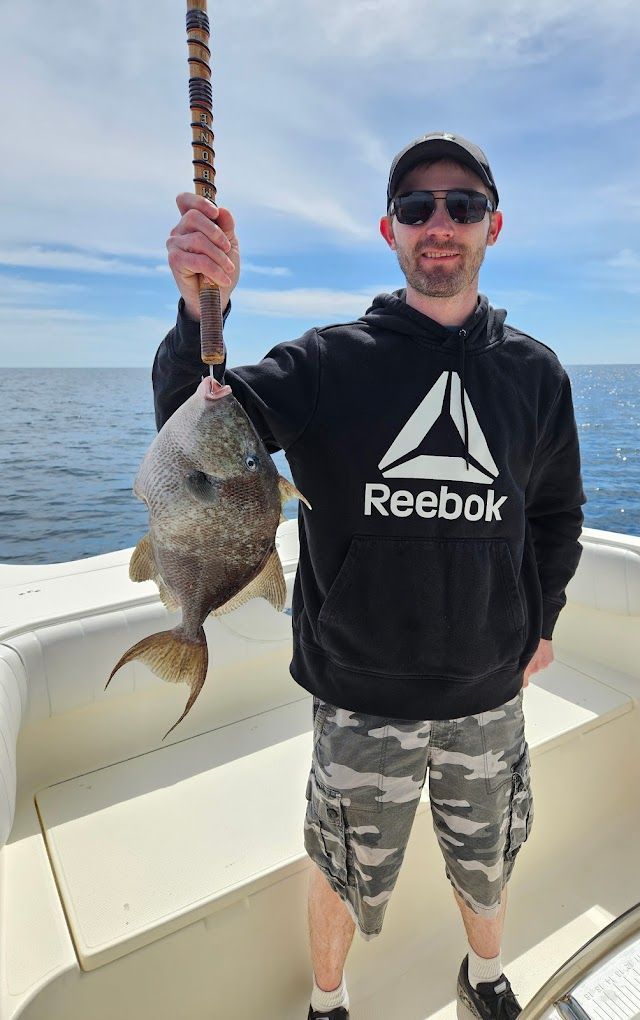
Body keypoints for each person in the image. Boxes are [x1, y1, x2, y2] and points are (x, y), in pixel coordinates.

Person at [154, 131, 587, 1020]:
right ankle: (328, 1001)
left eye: (462, 206)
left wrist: (541, 621)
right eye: (416, 207)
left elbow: (554, 513)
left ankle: (485, 976)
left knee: (489, 856)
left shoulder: (535, 373)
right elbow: (195, 437)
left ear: (492, 226)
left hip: (488, 690)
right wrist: (200, 314)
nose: (440, 222)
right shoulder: (326, 362)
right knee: (340, 862)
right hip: (359, 692)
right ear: (390, 230)